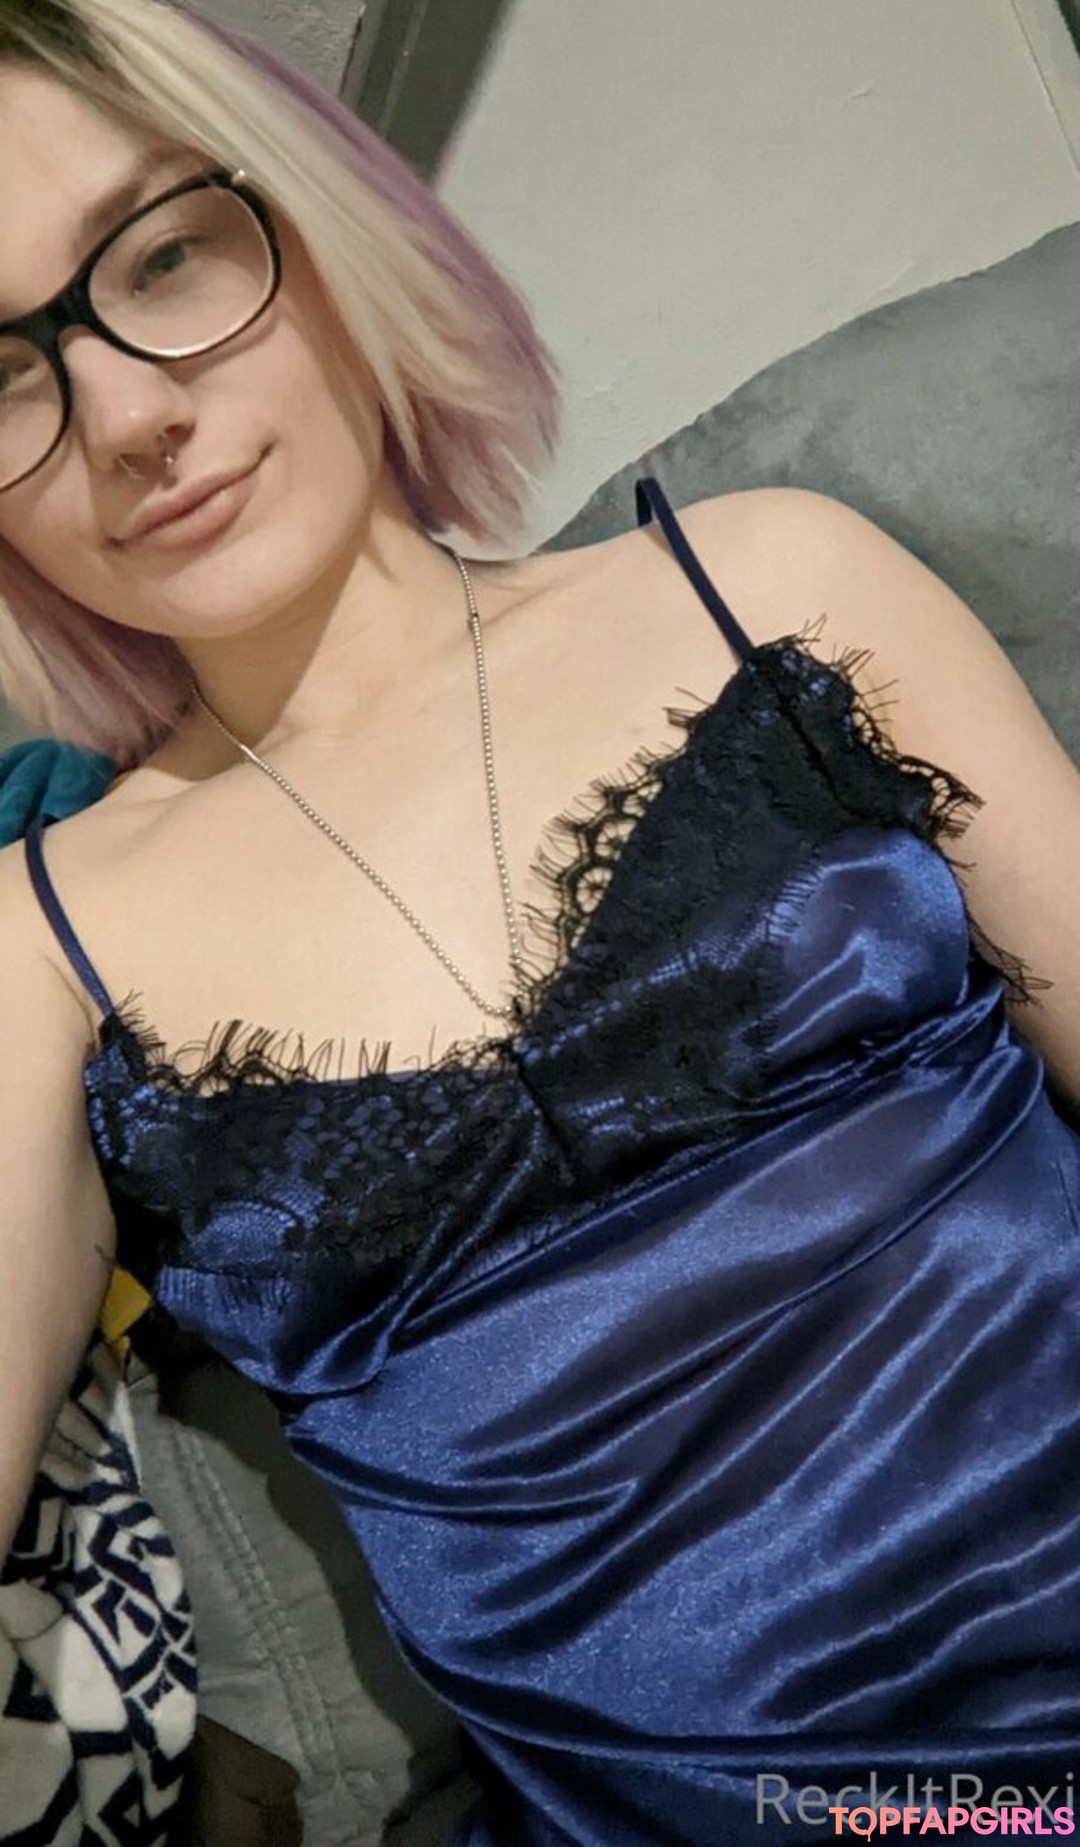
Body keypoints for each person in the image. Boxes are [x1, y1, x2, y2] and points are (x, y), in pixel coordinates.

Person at [0, 2, 1078, 1842]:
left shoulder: (771, 585)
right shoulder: (44, 944)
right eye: (4, 373)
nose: (128, 417)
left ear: (318, 223)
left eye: (163, 257)